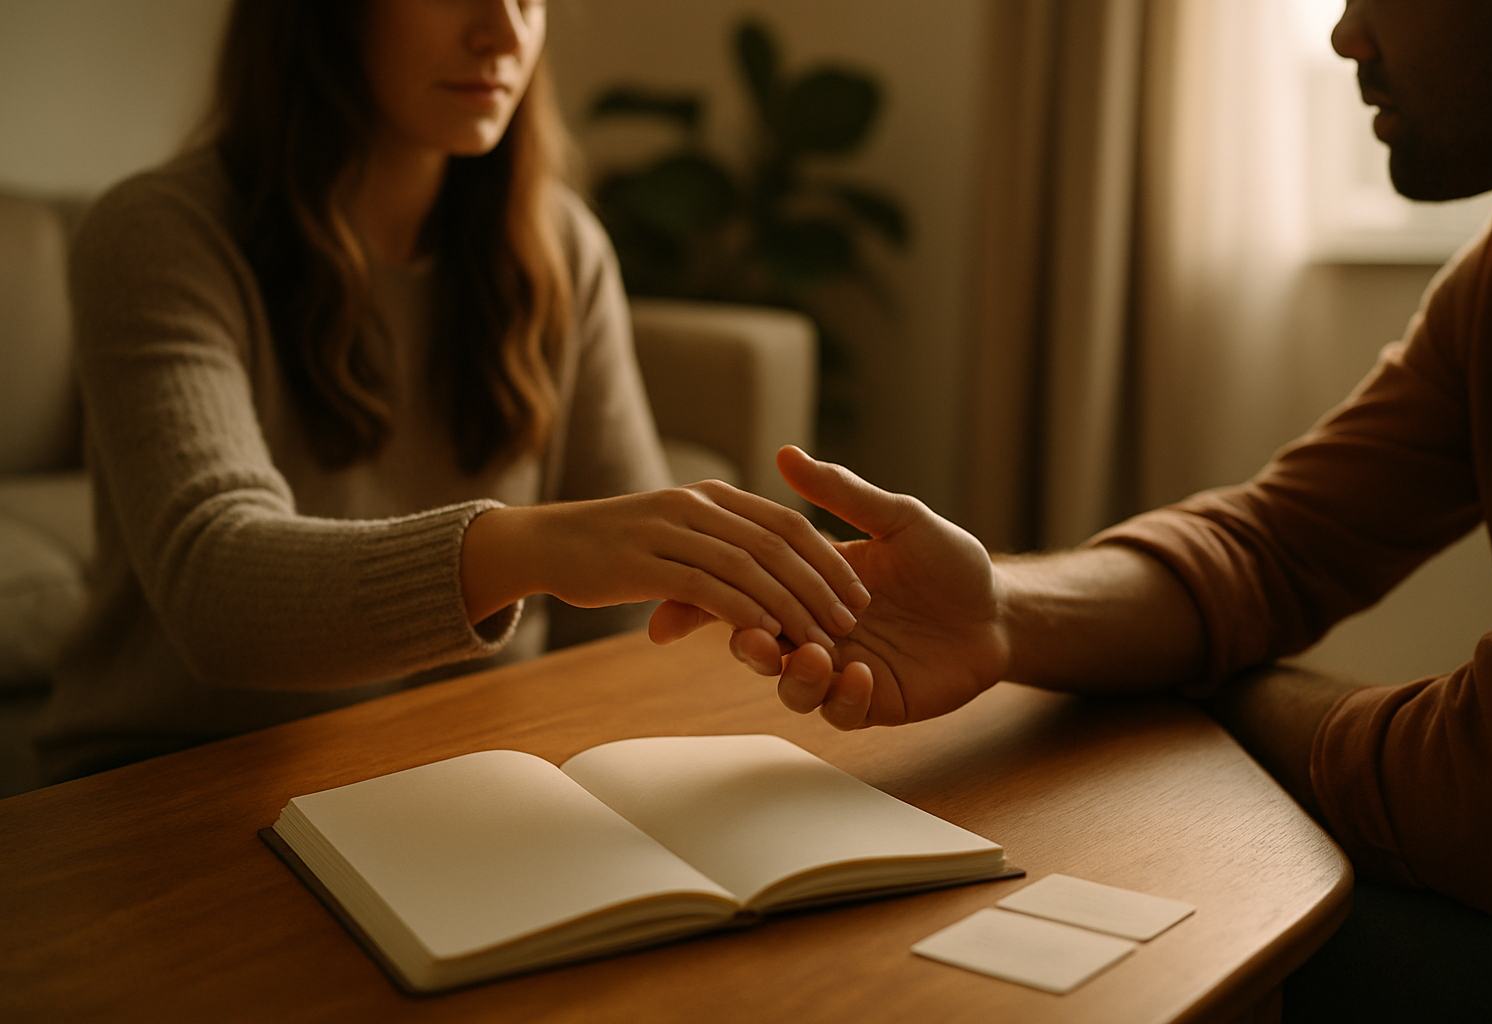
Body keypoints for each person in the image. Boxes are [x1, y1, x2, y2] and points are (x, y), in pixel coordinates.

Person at [685, 0, 1492, 932]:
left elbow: (1488, 797)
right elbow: (1272, 547)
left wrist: (1229, 693)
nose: (1343, 35)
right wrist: (1000, 612)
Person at [32, 0, 868, 785]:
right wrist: (534, 547)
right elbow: (215, 590)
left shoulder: (560, 244)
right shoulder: (158, 235)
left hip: (460, 757)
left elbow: (623, 626)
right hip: (177, 776)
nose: (503, 33)